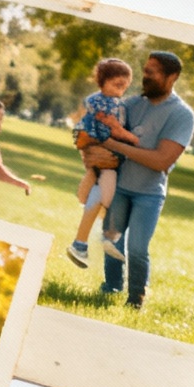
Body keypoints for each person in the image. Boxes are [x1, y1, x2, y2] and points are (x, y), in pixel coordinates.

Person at [83, 51, 194, 308]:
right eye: (145, 71)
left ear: (172, 77)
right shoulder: (132, 104)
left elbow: (161, 161)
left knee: (136, 248)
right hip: (120, 187)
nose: (144, 77)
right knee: (112, 239)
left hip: (149, 192)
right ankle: (110, 288)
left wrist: (114, 144)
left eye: (152, 72)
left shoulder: (181, 114)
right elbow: (98, 128)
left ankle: (135, 300)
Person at [67, 58, 142, 268]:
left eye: (124, 86)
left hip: (107, 156)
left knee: (95, 195)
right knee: (108, 197)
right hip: (105, 157)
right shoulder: (100, 104)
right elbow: (91, 130)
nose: (121, 91)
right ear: (103, 81)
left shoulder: (110, 103)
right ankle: (108, 237)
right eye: (117, 85)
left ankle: (80, 244)